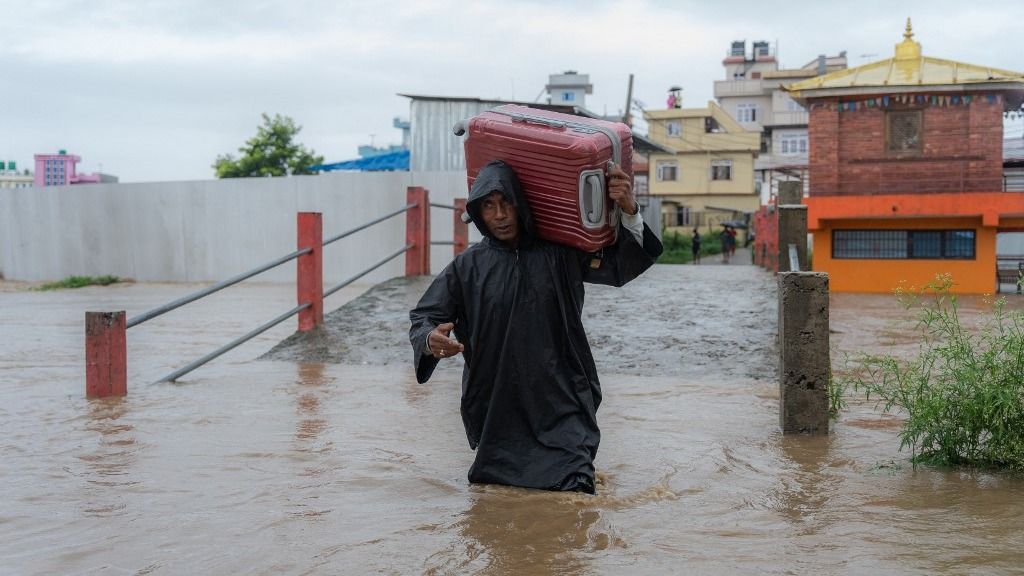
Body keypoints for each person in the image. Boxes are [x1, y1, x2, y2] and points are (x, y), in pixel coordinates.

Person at [409, 160, 663, 494]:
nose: (500, 215)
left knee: (576, 496)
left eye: (506, 203)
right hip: (498, 411)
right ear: (478, 213)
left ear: (522, 202)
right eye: (489, 206)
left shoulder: (563, 252)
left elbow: (621, 266)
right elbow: (424, 317)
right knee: (497, 508)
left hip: (564, 403)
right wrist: (430, 339)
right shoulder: (466, 268)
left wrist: (629, 209)